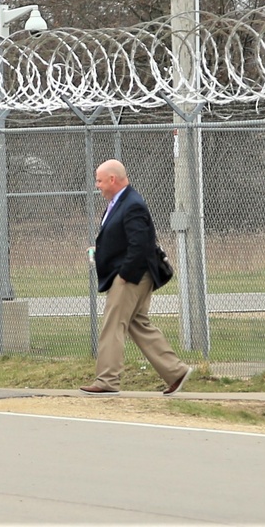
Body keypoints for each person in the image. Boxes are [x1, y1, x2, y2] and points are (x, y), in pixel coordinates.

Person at [81, 159, 193, 395]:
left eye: (99, 180)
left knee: (113, 325)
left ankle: (106, 380)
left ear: (112, 179)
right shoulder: (120, 202)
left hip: (131, 277)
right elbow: (125, 239)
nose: (97, 185)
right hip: (131, 274)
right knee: (137, 324)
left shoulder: (132, 204)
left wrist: (124, 275)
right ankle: (176, 371)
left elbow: (140, 245)